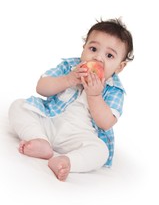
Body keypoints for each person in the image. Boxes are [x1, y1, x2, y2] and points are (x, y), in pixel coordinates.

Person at [9, 18, 134, 181]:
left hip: (78, 137)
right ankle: (39, 140)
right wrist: (68, 80)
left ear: (119, 66)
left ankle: (67, 161)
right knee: (19, 105)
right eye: (93, 48)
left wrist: (94, 95)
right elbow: (41, 88)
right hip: (50, 121)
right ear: (84, 49)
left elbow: (106, 123)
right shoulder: (70, 67)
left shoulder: (114, 89)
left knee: (100, 151)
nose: (98, 58)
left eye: (109, 55)